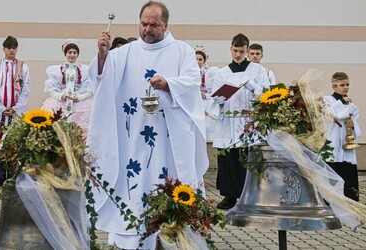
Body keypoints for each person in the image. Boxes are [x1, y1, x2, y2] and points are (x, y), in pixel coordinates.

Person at [87, 1, 208, 248]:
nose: (147, 29)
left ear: (166, 24)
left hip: (168, 139)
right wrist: (102, 55)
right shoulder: (124, 53)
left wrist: (169, 84)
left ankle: (171, 235)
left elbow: (191, 81)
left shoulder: (182, 52)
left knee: (166, 182)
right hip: (132, 141)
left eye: (153, 25)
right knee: (134, 185)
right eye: (143, 24)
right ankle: (132, 239)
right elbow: (102, 79)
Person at [211, 33, 270, 210]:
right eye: (235, 51)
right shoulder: (222, 72)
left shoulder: (257, 70)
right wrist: (219, 99)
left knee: (248, 159)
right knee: (229, 159)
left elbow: (267, 94)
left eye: (241, 51)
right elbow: (214, 98)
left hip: (248, 121)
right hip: (228, 121)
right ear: (230, 49)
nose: (238, 55)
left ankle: (250, 196)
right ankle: (230, 196)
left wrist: (253, 87)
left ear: (247, 50)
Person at [0, 35, 30, 185]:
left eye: (14, 48)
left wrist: (16, 108)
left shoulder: (23, 67)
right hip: (0, 112)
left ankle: (13, 174)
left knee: (14, 142)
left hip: (15, 112)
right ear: (3, 49)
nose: (11, 50)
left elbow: (25, 90)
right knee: (0, 142)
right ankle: (1, 175)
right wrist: (0, 109)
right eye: (8, 48)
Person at [324, 72, 361, 201]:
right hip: (332, 142)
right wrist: (341, 101)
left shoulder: (352, 106)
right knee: (333, 171)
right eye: (341, 85)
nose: (345, 87)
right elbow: (331, 114)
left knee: (348, 174)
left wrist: (352, 125)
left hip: (345, 145)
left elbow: (355, 123)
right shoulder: (327, 100)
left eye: (347, 85)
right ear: (334, 87)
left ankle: (350, 200)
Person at [41, 39, 93, 132]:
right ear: (65, 54)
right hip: (60, 103)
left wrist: (79, 97)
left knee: (79, 131)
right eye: (69, 52)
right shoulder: (57, 70)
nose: (72, 55)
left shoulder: (84, 70)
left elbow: (89, 90)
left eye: (74, 52)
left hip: (79, 104)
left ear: (77, 55)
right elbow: (51, 89)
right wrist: (61, 96)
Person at [195, 45, 219, 142]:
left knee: (208, 122)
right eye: (195, 59)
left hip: (206, 101)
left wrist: (206, 95)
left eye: (200, 59)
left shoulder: (210, 73)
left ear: (204, 61)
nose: (197, 61)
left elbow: (215, 90)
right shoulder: (187, 73)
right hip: (194, 101)